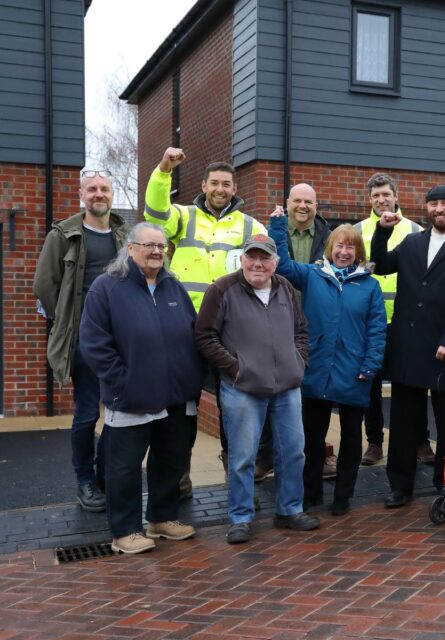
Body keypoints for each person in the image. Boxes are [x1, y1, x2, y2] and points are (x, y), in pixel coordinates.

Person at [143, 147, 270, 495]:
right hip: (185, 327)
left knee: (235, 406)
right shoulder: (182, 216)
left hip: (230, 330)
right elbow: (154, 212)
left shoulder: (249, 225)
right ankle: (180, 477)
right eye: (214, 183)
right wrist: (163, 170)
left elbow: (267, 264)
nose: (220, 189)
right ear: (203, 185)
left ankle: (237, 480)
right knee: (184, 405)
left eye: (226, 184)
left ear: (234, 187)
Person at [79, 223, 204, 554]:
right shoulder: (106, 288)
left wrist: (193, 380)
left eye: (161, 247)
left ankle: (162, 519)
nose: (156, 252)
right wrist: (122, 382)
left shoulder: (173, 288)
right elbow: (94, 345)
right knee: (124, 468)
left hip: (177, 397)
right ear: (130, 248)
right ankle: (125, 531)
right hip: (131, 397)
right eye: (148, 245)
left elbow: (192, 335)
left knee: (171, 460)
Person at [194, 234, 319, 543]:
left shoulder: (285, 288)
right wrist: (237, 368)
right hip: (243, 389)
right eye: (252, 257)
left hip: (287, 388)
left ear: (275, 263)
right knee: (242, 457)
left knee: (293, 453)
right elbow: (204, 336)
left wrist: (298, 362)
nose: (258, 264)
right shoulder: (222, 289)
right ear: (242, 259)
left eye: (265, 258)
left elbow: (301, 330)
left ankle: (289, 510)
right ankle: (240, 517)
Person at [371, 184, 445, 508]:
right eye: (434, 203)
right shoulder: (411, 242)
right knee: (404, 422)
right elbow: (379, 264)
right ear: (427, 207)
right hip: (408, 345)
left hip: (443, 349)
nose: (439, 208)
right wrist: (381, 232)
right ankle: (400, 486)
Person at [269, 211, 387, 516]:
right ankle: (311, 495)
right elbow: (281, 265)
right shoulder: (312, 275)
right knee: (312, 439)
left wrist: (370, 366)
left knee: (351, 438)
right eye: (339, 246)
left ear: (358, 253)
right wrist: (278, 227)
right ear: (330, 249)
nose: (344, 252)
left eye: (350, 248)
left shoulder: (370, 286)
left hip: (355, 373)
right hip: (316, 370)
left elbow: (377, 330)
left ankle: (343, 496)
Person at [33, 169, 130, 513]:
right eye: (92, 189)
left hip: (121, 340)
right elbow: (45, 285)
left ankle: (105, 476)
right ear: (81, 194)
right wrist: (68, 322)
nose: (98, 194)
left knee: (119, 413)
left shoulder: (124, 234)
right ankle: (85, 481)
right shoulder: (63, 234)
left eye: (104, 188)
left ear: (111, 193)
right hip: (84, 341)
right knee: (87, 414)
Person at [353, 173, 433, 467]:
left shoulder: (415, 230)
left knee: (412, 382)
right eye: (376, 196)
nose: (381, 200)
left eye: (386, 194)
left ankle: (421, 440)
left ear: (395, 196)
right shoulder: (358, 230)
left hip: (405, 320)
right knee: (370, 383)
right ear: (369, 199)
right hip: (368, 321)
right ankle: (374, 442)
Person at [281, 183, 336, 481]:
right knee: (279, 388)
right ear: (288, 203)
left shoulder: (329, 238)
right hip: (279, 321)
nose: (303, 206)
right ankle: (277, 455)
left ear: (316, 205)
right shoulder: (274, 233)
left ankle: (316, 453)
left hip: (315, 325)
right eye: (298, 201)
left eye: (309, 202)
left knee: (314, 394)